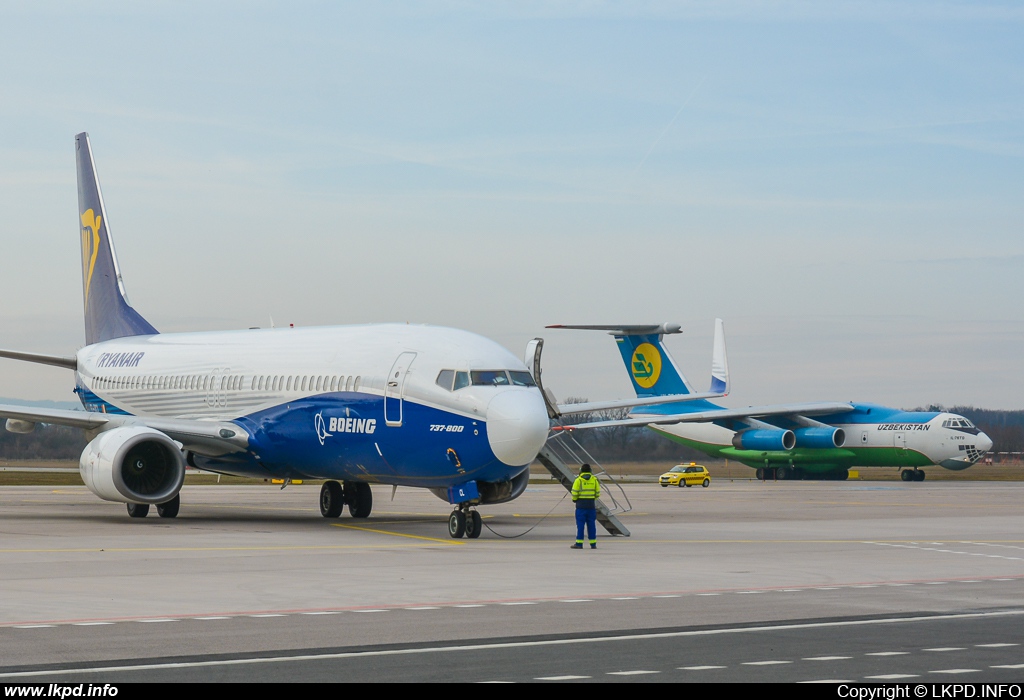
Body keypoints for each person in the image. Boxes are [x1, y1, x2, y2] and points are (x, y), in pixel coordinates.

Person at [570, 463, 601, 549]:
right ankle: (593, 544)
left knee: (580, 525)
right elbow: (597, 493)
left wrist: (574, 499)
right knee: (591, 525)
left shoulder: (578, 480)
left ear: (581, 471)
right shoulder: (594, 480)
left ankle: (579, 543)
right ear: (590, 471)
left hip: (581, 506)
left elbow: (574, 492)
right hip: (591, 506)